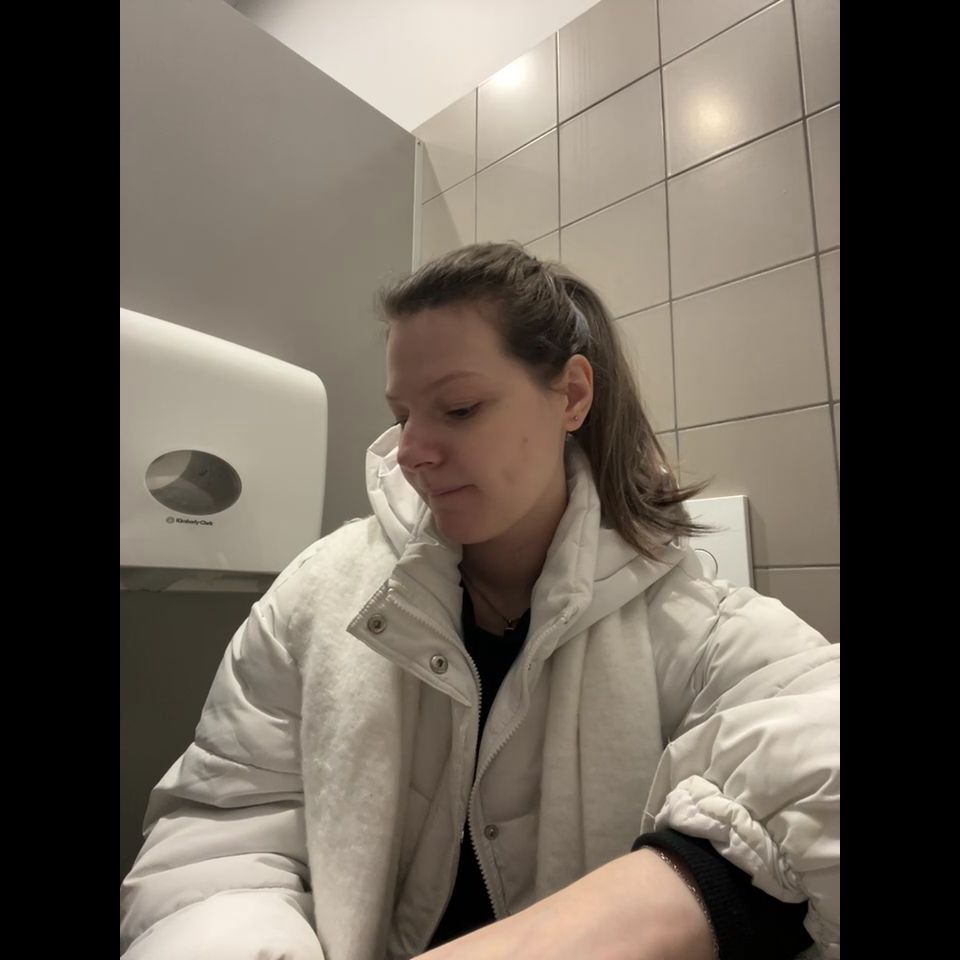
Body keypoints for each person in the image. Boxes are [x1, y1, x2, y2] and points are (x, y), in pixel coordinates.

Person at [120, 242, 839, 960]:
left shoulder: (694, 627)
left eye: (459, 408)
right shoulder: (316, 596)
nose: (410, 450)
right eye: (403, 414)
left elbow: (818, 769)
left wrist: (662, 901)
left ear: (572, 396)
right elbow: (220, 835)